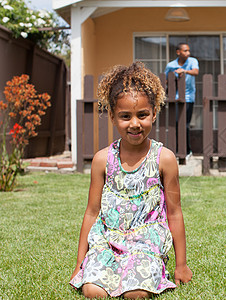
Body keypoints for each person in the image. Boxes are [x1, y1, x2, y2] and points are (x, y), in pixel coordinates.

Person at [69, 62, 192, 299]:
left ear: (154, 113)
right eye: (125, 116)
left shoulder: (164, 159)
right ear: (113, 118)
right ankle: (101, 268)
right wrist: (80, 264)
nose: (135, 123)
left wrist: (181, 264)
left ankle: (151, 269)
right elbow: (92, 213)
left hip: (146, 243)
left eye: (142, 115)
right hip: (108, 240)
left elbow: (175, 212)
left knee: (136, 293)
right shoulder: (102, 159)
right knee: (93, 291)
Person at [164, 43, 199, 156]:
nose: (188, 53)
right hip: (174, 98)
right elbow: (165, 80)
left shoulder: (192, 61)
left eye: (188, 51)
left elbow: (195, 72)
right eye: (185, 51)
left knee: (185, 124)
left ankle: (187, 150)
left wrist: (183, 71)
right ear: (178, 52)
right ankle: (176, 150)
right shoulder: (171, 65)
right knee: (175, 124)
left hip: (188, 98)